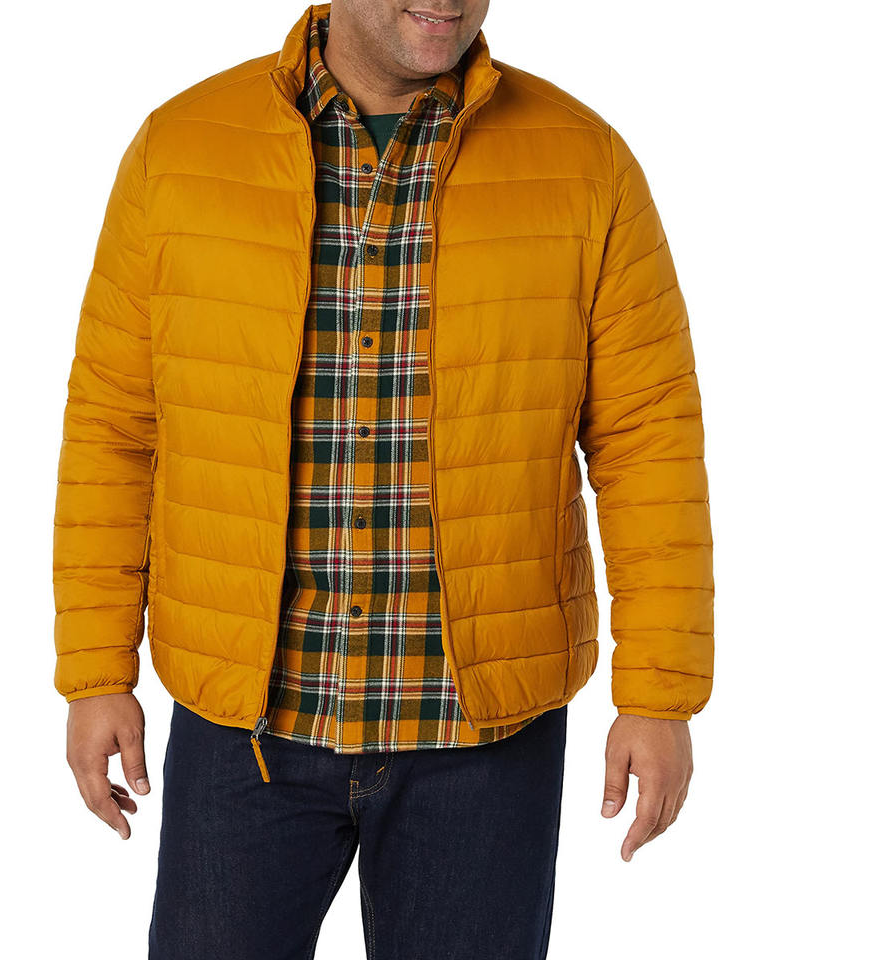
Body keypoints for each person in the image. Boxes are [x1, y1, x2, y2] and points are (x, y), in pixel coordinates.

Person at [53, 2, 714, 957]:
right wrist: (96, 670)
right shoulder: (179, 152)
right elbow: (114, 428)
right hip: (244, 726)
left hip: (484, 741)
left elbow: (648, 441)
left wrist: (658, 694)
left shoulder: (586, 164)